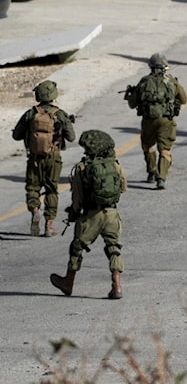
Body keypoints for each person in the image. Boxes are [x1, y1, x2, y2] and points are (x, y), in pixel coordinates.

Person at [50, 129, 127, 300]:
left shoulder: (82, 167)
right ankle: (117, 285)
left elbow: (77, 197)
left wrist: (74, 214)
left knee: (77, 248)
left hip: (92, 214)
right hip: (112, 212)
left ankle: (68, 282)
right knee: (113, 247)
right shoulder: (114, 164)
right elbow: (123, 187)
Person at [11, 80, 76, 237]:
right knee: (51, 190)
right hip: (53, 157)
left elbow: (16, 135)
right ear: (54, 95)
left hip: (34, 158)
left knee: (32, 188)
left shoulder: (31, 113)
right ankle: (49, 225)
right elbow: (72, 137)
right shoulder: (59, 114)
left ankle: (34, 210)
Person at [125, 53, 187, 189]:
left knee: (148, 146)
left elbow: (132, 104)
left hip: (148, 120)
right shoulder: (171, 81)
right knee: (165, 149)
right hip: (166, 120)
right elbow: (184, 99)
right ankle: (161, 178)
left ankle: (151, 172)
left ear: (151, 67)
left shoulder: (144, 81)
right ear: (165, 67)